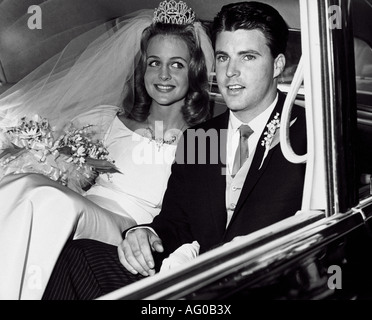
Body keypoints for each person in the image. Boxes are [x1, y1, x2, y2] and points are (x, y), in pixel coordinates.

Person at [42, 1, 307, 300]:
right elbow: (175, 222)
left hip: (259, 288)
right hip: (185, 278)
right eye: (223, 57)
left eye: (247, 57)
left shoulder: (308, 135)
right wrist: (145, 234)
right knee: (79, 256)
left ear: (278, 65)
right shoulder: (199, 137)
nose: (231, 72)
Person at [0, 0, 214, 300]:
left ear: (193, 71)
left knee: (48, 199)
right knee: (22, 186)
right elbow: (69, 166)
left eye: (176, 64)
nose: (163, 75)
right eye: (154, 62)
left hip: (127, 230)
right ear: (142, 67)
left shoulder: (200, 143)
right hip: (80, 210)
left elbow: (194, 219)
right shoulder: (106, 119)